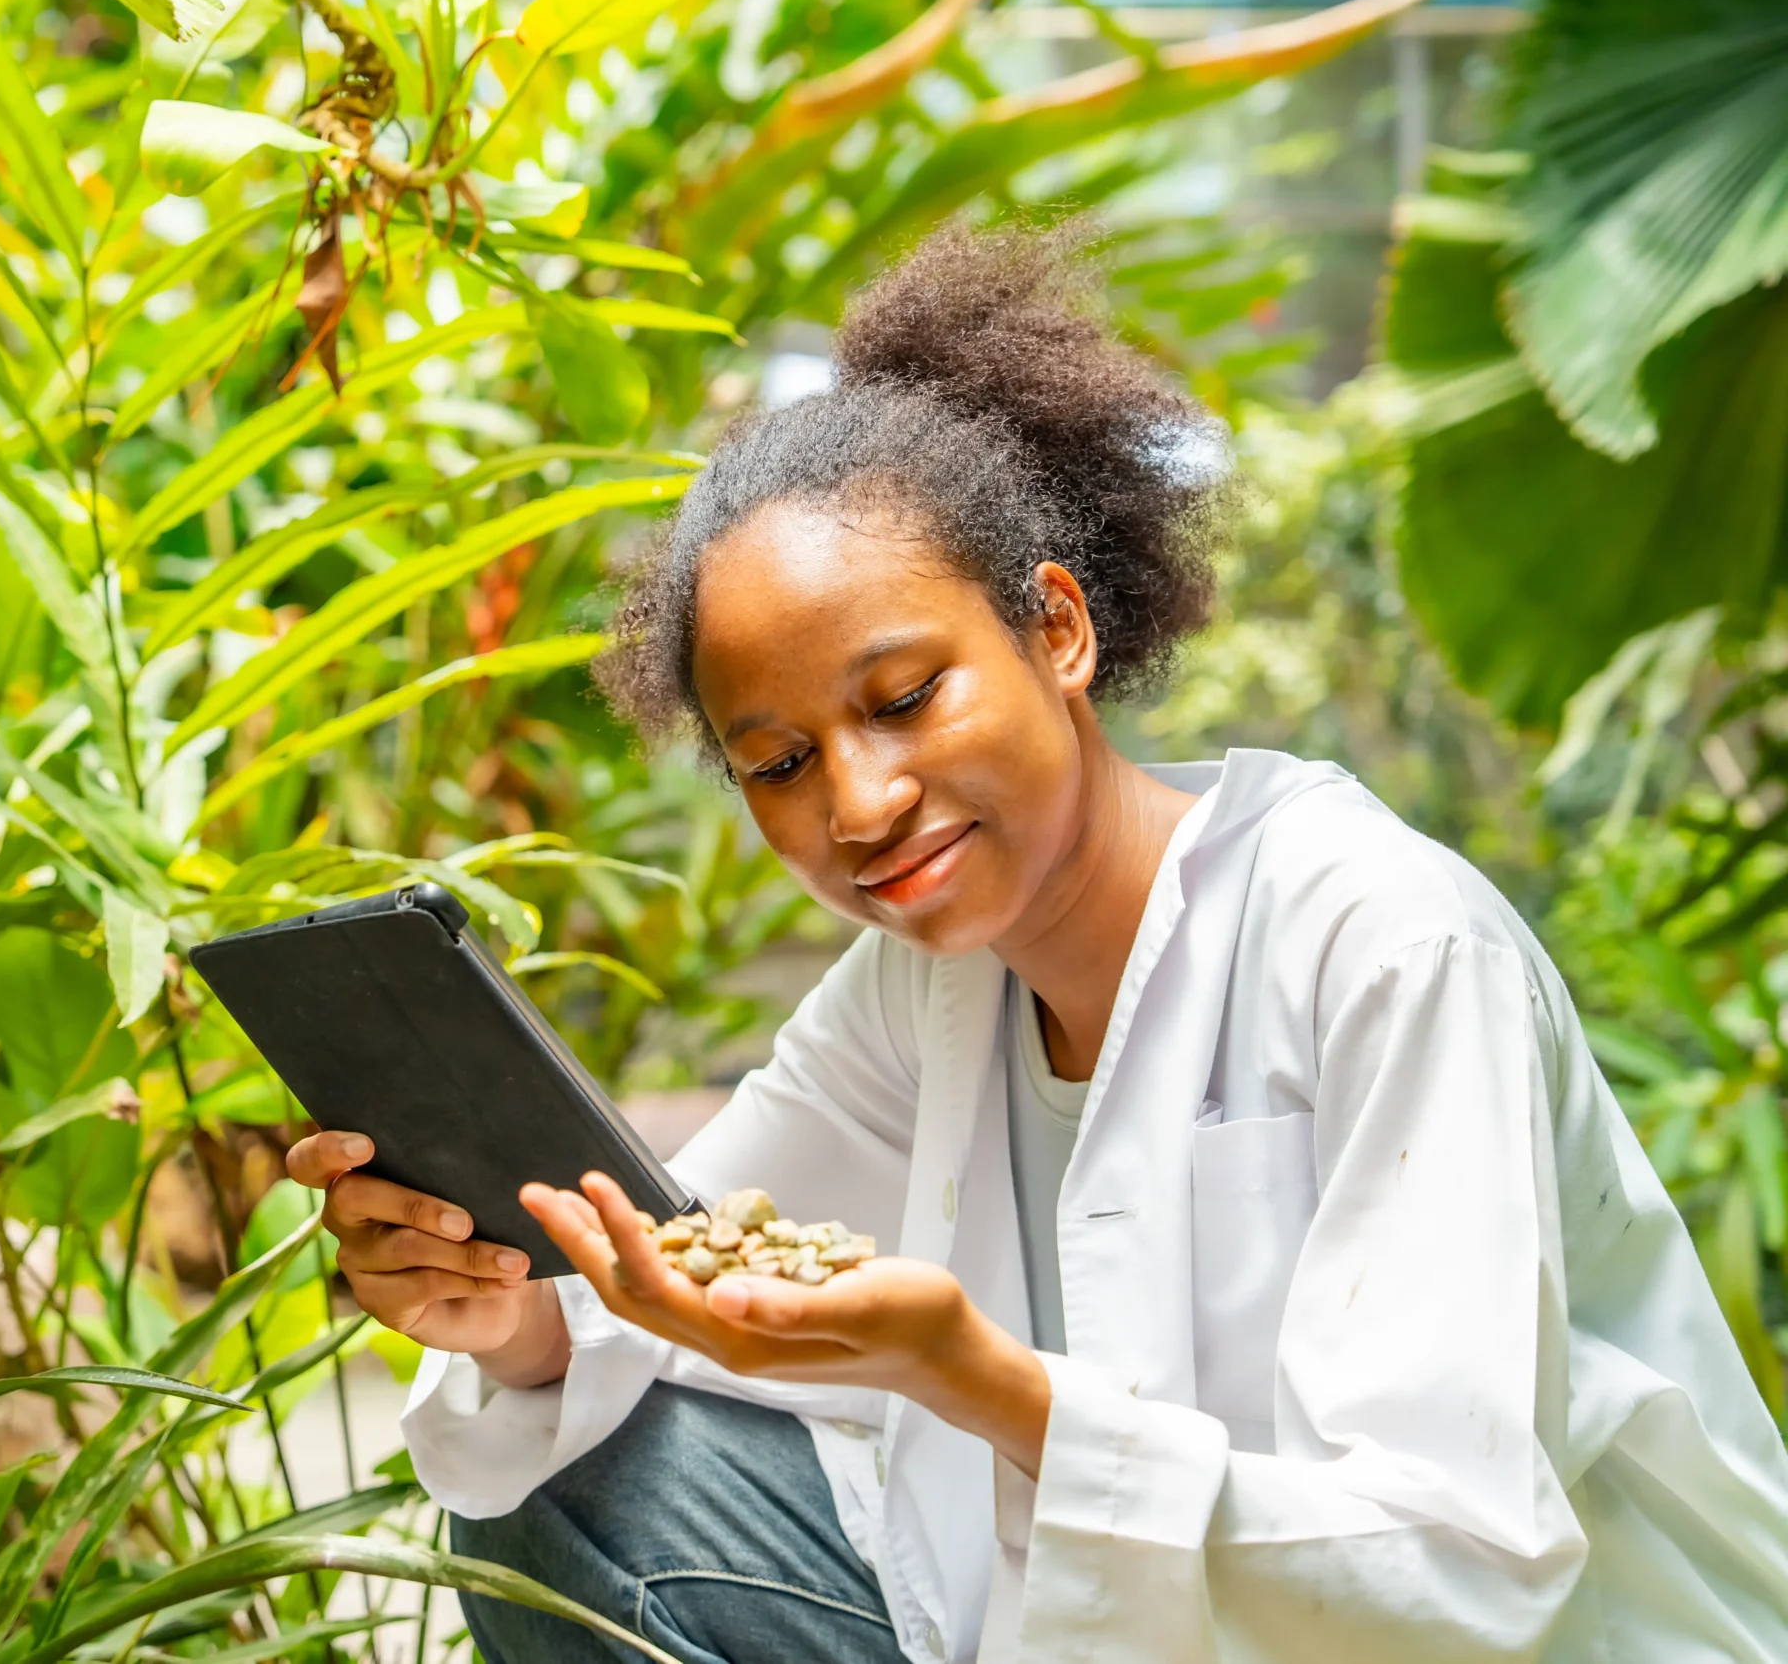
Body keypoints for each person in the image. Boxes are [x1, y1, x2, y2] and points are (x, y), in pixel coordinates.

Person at [282, 225, 1788, 1662]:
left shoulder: (1379, 942)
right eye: (782, 763)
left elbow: (1457, 1574)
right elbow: (672, 1283)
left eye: (904, 696)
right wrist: (517, 1311)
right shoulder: (921, 989)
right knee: (572, 1490)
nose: (861, 803)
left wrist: (976, 1378)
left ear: (1056, 630)